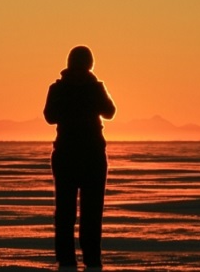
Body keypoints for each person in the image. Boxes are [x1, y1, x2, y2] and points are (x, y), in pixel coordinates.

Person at [43, 46, 116, 268]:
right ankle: (85, 260)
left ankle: (74, 260)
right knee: (85, 212)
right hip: (82, 155)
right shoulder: (64, 88)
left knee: (71, 212)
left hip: (78, 155)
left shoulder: (67, 88)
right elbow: (51, 116)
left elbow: (109, 112)